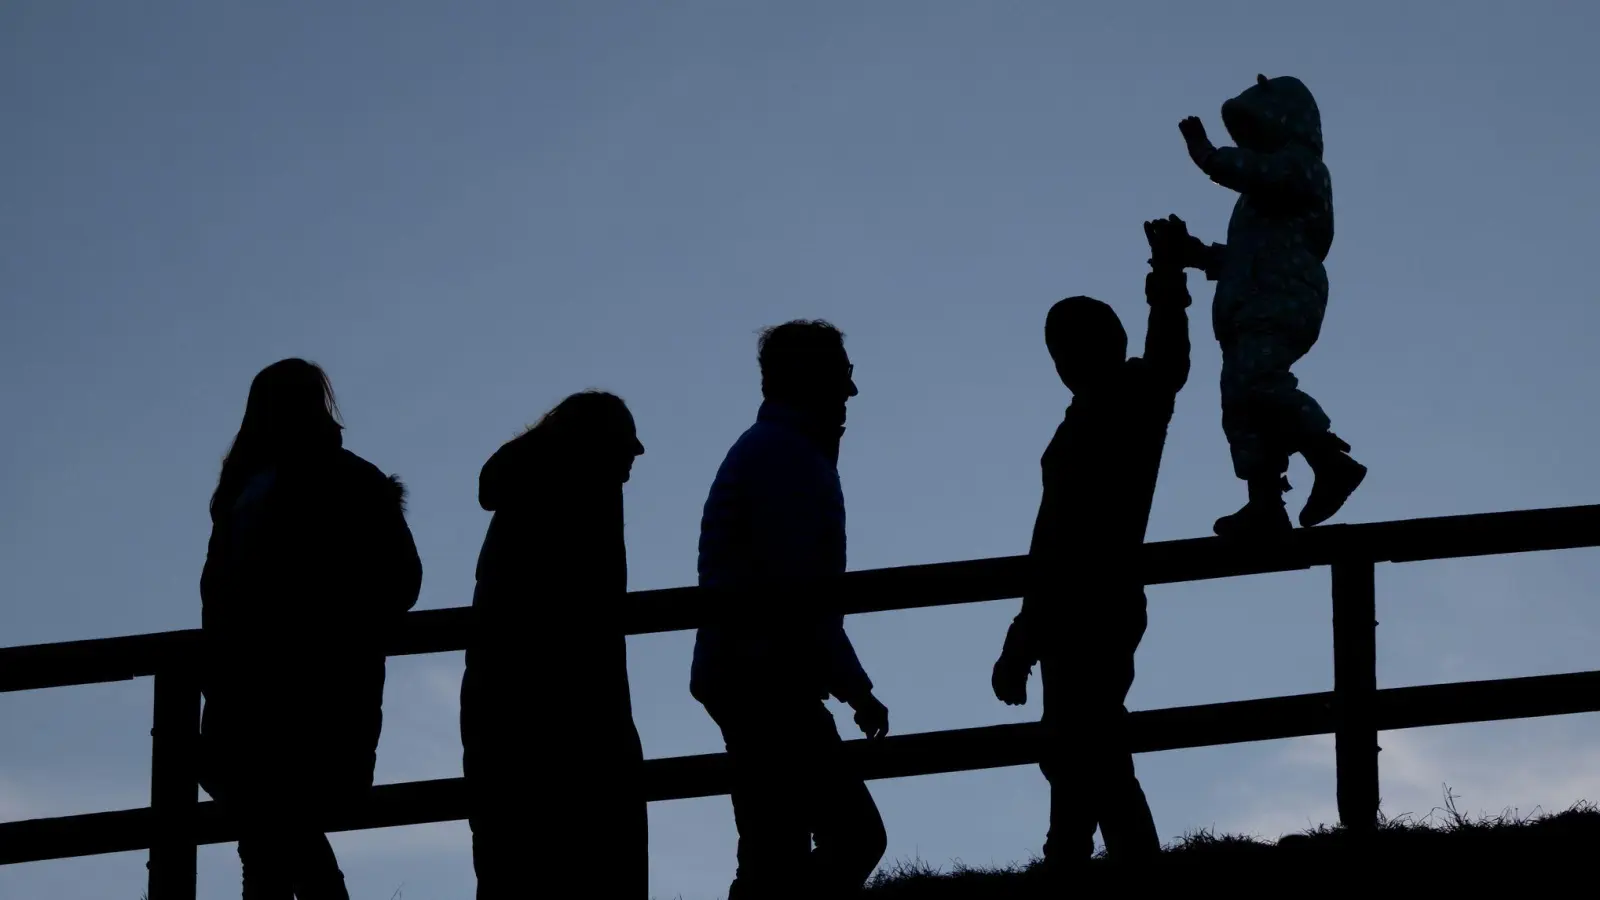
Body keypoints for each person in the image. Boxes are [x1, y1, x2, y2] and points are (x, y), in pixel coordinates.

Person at [991, 217, 1195, 875]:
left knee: (1088, 747)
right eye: (1057, 348)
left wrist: (1167, 279)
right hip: (1075, 606)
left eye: (1069, 345)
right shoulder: (1087, 418)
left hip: (1093, 604)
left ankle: (1095, 859)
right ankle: (1071, 856)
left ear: (1105, 345)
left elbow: (1169, 361)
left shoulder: (1131, 399)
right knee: (1079, 745)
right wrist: (1025, 636)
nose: (1062, 359)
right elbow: (1050, 538)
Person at [198, 358, 422, 900]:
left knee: (268, 840)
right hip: (283, 696)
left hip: (294, 696)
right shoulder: (331, 483)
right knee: (272, 839)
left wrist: (333, 628)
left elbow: (399, 581)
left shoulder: (255, 488)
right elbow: (402, 580)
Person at [690, 320, 890, 899]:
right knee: (852, 836)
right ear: (810, 378)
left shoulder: (775, 451)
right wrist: (855, 688)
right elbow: (802, 592)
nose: (851, 392)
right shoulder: (788, 459)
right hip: (764, 674)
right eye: (842, 375)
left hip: (749, 670)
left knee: (770, 848)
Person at [460, 391, 648, 899]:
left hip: (502, 712)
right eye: (626, 442)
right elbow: (588, 616)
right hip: (577, 713)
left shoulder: (531, 492)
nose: (638, 453)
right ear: (597, 445)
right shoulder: (586, 496)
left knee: (513, 861)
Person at [1177, 73, 1366, 537]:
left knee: (1259, 383)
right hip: (1249, 301)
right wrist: (1199, 254)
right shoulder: (1259, 201)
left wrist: (1206, 154)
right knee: (1240, 402)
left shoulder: (1301, 168)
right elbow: (1244, 252)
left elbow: (1253, 171)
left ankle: (1328, 459)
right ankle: (1264, 502)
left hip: (1284, 294)